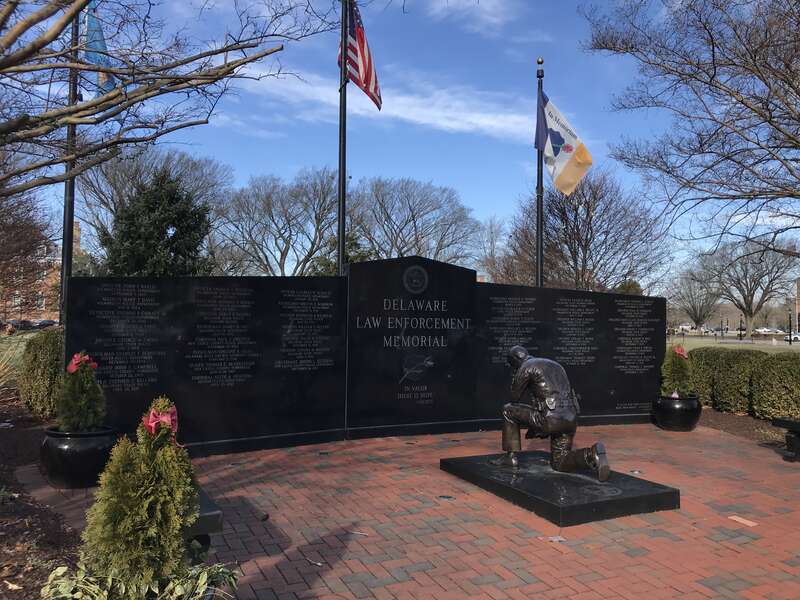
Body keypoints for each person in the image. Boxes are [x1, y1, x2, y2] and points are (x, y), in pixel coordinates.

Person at [492, 345, 609, 482]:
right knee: (559, 462)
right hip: (570, 418)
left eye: (513, 366)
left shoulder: (526, 366)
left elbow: (514, 397)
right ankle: (592, 454)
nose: (515, 369)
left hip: (550, 418)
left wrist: (517, 376)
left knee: (508, 409)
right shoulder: (556, 365)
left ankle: (510, 457)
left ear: (516, 359)